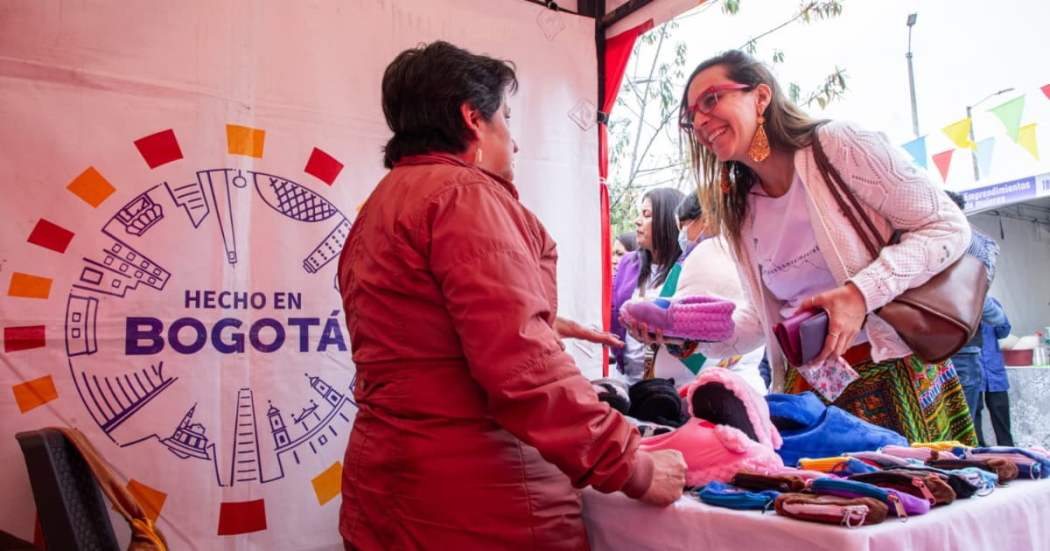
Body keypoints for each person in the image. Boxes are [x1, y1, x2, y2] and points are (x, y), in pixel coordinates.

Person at [336, 41, 686, 550]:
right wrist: (633, 464)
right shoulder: (465, 195)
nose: (515, 143)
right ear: (472, 119)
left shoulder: (381, 205)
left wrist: (537, 317)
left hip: (385, 486)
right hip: (474, 502)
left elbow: (423, 337)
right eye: (505, 116)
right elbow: (523, 370)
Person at [640, 49, 977, 444]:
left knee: (920, 502)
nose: (699, 120)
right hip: (812, 397)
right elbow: (758, 322)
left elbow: (947, 226)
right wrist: (681, 331)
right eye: (690, 117)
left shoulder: (836, 145)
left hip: (894, 373)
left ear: (761, 97)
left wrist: (858, 295)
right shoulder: (740, 207)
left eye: (711, 99)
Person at [652, 192, 767, 394]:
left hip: (715, 391)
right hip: (711, 388)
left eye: (684, 226)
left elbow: (692, 326)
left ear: (704, 219)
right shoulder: (742, 254)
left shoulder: (713, 251)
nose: (683, 235)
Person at [610, 187, 684, 383]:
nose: (637, 221)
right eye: (639, 214)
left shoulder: (688, 267)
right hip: (627, 380)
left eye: (647, 214)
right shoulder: (628, 262)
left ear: (668, 220)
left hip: (672, 384)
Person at [976, 297, 1014, 446]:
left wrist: (993, 317)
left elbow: (1004, 331)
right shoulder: (964, 301)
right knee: (974, 412)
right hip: (972, 367)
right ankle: (977, 450)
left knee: (1001, 412)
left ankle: (1008, 449)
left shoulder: (991, 302)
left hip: (993, 367)